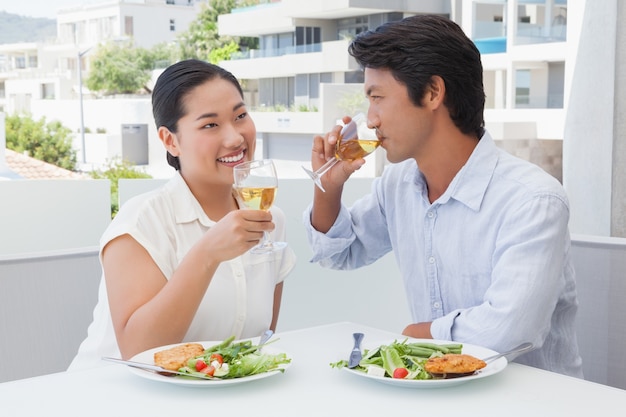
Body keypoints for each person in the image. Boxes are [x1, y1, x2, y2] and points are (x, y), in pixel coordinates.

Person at [303, 15, 583, 378]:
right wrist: (330, 183)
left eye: (377, 98)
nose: (370, 120)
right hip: (436, 393)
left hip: (530, 400)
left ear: (433, 92)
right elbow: (340, 253)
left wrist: (416, 335)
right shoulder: (399, 184)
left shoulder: (532, 200)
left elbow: (509, 331)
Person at [69, 59, 296, 370]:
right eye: (210, 125)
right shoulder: (141, 221)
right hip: (114, 394)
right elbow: (138, 352)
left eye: (240, 116)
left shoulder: (270, 221)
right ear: (170, 140)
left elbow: (257, 343)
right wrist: (206, 254)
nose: (235, 138)